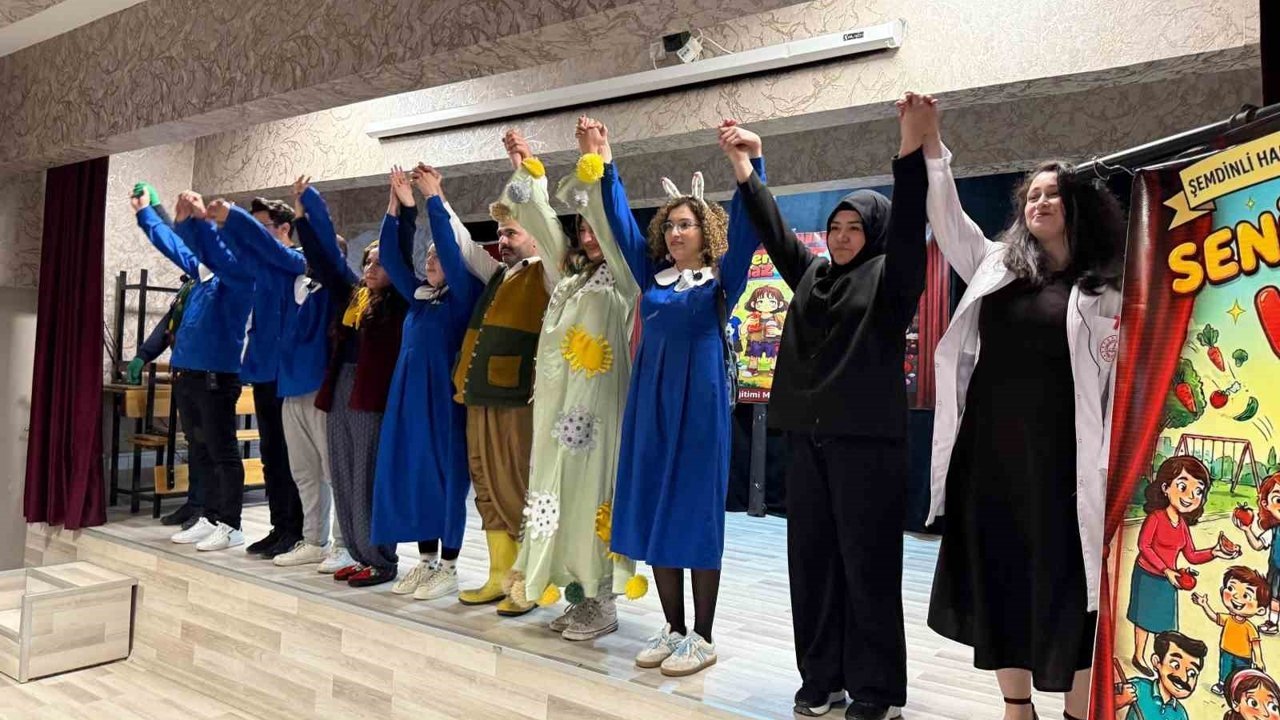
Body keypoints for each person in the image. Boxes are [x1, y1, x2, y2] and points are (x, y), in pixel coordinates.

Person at [720, 93, 930, 719]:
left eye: (854, 228)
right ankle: (823, 677)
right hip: (807, 442)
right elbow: (774, 231)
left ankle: (877, 690)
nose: (841, 238)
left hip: (866, 448)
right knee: (811, 565)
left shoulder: (892, 277)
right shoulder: (812, 275)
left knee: (867, 568)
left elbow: (911, 221)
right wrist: (746, 165)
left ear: (874, 234)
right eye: (836, 228)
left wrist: (911, 148)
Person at [921, 92, 1127, 720]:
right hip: (991, 462)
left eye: (1052, 194)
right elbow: (949, 218)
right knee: (1001, 582)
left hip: (1064, 467)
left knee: (1072, 591)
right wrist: (932, 146)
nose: (1039, 202)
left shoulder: (1107, 289)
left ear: (1078, 207)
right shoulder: (995, 266)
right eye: (1031, 195)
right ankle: (1017, 707)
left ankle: (1075, 711)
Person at [600, 118, 758, 677]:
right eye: (669, 225)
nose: (674, 233)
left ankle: (703, 636)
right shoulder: (653, 279)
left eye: (685, 224)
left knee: (693, 511)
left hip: (700, 407)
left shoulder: (721, 280)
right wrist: (606, 165)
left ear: (705, 229)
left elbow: (749, 229)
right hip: (650, 404)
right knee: (656, 508)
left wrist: (748, 166)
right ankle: (672, 628)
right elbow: (620, 226)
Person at [506, 119, 642, 641]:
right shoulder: (569, 276)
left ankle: (602, 600)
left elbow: (612, 219)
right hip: (558, 409)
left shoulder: (625, 279)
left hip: (600, 407)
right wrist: (525, 168)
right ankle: (575, 596)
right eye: (581, 228)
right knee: (557, 493)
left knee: (592, 496)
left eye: (593, 227)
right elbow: (542, 224)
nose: (587, 235)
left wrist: (600, 157)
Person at [443, 131, 557, 617]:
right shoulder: (498, 274)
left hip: (516, 399)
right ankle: (497, 573)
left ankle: (526, 578)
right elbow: (464, 244)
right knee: (486, 486)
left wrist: (527, 172)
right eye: (501, 233)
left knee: (514, 486)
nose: (502, 240)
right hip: (478, 395)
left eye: (511, 233)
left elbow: (546, 226)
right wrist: (437, 199)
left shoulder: (548, 272)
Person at [372, 165, 483, 600]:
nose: (431, 260)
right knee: (416, 475)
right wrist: (398, 206)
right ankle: (427, 561)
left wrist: (434, 199)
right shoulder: (419, 298)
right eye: (429, 255)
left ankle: (450, 566)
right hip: (408, 402)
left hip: (445, 402)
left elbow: (454, 256)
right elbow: (391, 257)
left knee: (447, 481)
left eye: (438, 255)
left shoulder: (464, 298)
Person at [302, 177, 409, 588]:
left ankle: (381, 559)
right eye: (367, 262)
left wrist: (396, 208)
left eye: (379, 263)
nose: (370, 268)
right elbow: (326, 260)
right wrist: (305, 216)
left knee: (366, 478)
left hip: (371, 399)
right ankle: (359, 553)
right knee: (344, 475)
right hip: (342, 390)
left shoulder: (400, 301)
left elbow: (398, 247)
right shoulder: (354, 296)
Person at [133, 189, 253, 552]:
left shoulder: (239, 278)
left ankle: (230, 524)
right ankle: (209, 516)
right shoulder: (203, 277)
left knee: (222, 452)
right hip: (188, 375)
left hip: (217, 377)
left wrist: (200, 222)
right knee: (200, 450)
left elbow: (211, 249)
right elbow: (173, 244)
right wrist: (147, 213)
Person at [215, 195, 305, 559]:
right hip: (265, 372)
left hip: (290, 376)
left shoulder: (298, 260)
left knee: (291, 458)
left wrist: (234, 217)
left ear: (284, 229)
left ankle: (297, 531)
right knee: (271, 456)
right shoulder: (262, 267)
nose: (255, 233)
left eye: (261, 226)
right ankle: (279, 526)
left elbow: (268, 250)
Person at [1128, 456, 1234, 672]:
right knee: (1144, 619)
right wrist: (1165, 569)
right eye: (1183, 487)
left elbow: (1192, 555)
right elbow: (1144, 546)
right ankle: (1139, 656)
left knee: (1164, 622)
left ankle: (1160, 659)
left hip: (1170, 579)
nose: (1191, 496)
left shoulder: (1182, 525)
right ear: (1165, 488)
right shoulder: (1156, 518)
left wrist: (1215, 552)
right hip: (1147, 574)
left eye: (1198, 491)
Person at [1190, 566, 1269, 694]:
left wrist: (1258, 660)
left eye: (1246, 595)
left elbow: (1255, 644)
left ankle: (1239, 690)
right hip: (1226, 651)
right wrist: (1204, 605)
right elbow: (1215, 617)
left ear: (1260, 610)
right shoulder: (1228, 619)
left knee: (1241, 674)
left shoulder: (1249, 627)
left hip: (1243, 657)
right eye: (1231, 589)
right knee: (1225, 670)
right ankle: (1223, 685)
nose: (1235, 596)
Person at [1115, 631, 1208, 720]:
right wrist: (1120, 700)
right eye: (1175, 665)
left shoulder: (1180, 714)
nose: (1183, 678)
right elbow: (1106, 700)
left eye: (1192, 673)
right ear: (1157, 662)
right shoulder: (1138, 688)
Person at [1236, 473, 1280, 635]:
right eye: (1278, 500)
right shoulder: (1274, 532)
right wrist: (1247, 529)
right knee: (1275, 598)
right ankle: (1272, 622)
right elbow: (1257, 545)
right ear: (1265, 503)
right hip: (1277, 571)